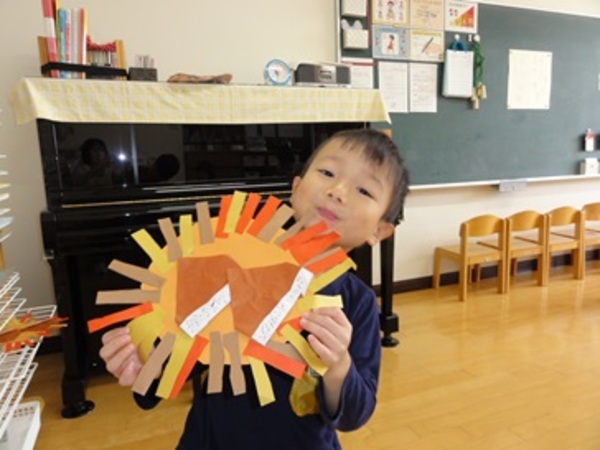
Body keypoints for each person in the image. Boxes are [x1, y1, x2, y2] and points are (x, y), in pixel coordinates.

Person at [99, 128, 410, 449]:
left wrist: (338, 365)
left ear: (379, 231)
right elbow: (184, 351)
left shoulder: (357, 303)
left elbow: (354, 416)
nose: (338, 191)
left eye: (364, 190)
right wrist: (146, 364)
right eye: (328, 173)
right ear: (296, 188)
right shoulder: (234, 263)